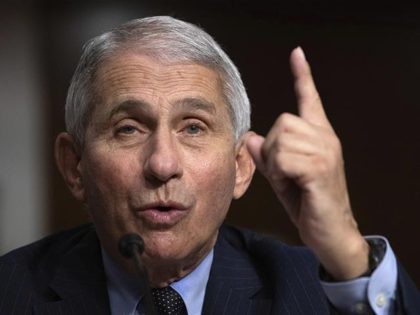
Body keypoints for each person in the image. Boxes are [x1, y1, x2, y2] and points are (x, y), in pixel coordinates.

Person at [0, 16, 418, 315]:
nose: (162, 164)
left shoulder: (313, 288)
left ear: (241, 166)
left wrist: (346, 247)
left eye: (194, 128)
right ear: (75, 167)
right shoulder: (10, 290)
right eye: (129, 128)